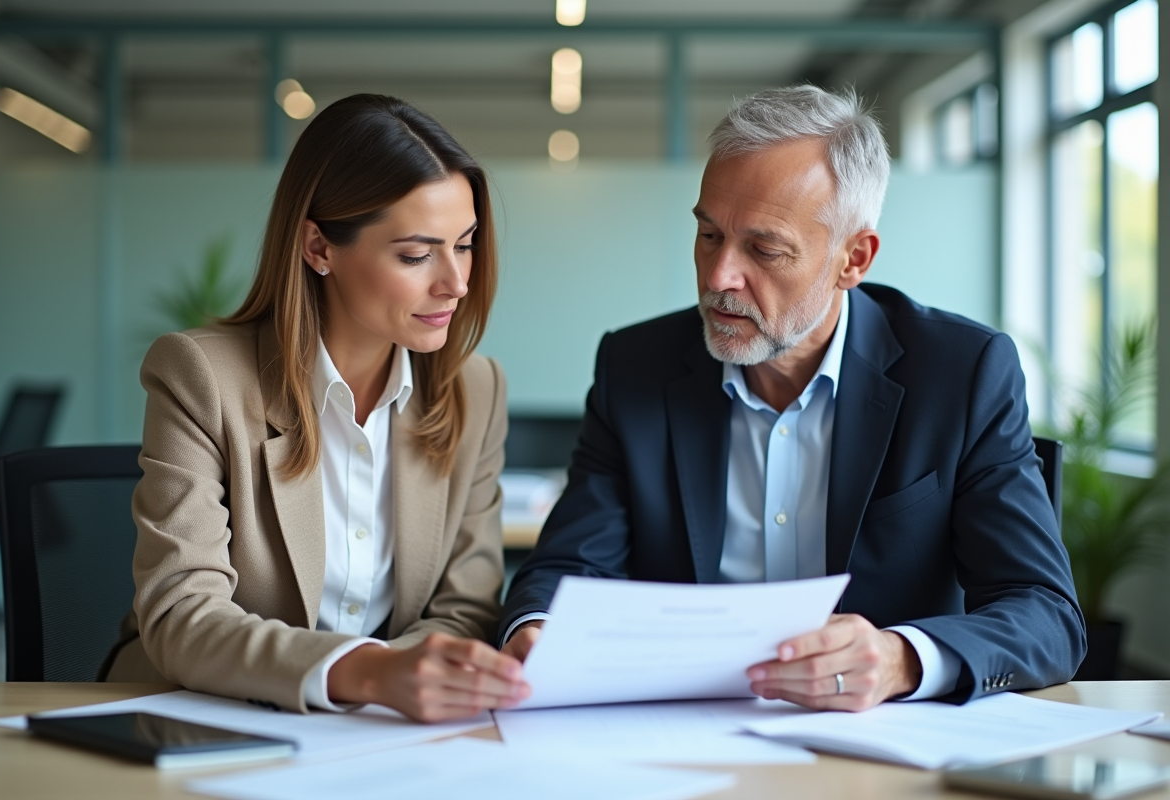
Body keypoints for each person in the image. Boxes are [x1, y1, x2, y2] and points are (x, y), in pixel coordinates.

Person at [499, 86, 1086, 710]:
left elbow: (1044, 612)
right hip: (677, 735)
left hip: (875, 748)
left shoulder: (961, 375)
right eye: (707, 234)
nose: (720, 276)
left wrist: (900, 659)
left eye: (764, 249)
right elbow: (565, 569)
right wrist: (537, 631)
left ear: (852, 258)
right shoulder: (636, 367)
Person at [106, 94, 530, 721]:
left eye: (464, 245)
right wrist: (368, 672)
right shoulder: (201, 376)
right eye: (416, 255)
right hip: (200, 717)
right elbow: (182, 614)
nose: (456, 283)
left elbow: (464, 607)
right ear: (318, 247)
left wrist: (399, 682)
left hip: (380, 734)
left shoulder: (477, 389)